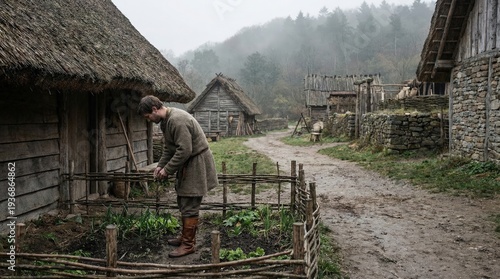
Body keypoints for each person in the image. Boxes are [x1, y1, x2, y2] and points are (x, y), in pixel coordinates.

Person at [137, 95, 219, 258]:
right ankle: (185, 237)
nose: (148, 120)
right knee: (183, 199)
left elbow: (184, 150)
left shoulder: (177, 120)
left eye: (148, 117)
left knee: (190, 201)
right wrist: (160, 165)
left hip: (196, 162)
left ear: (154, 109)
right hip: (187, 162)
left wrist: (167, 170)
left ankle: (188, 245)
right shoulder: (166, 122)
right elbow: (169, 148)